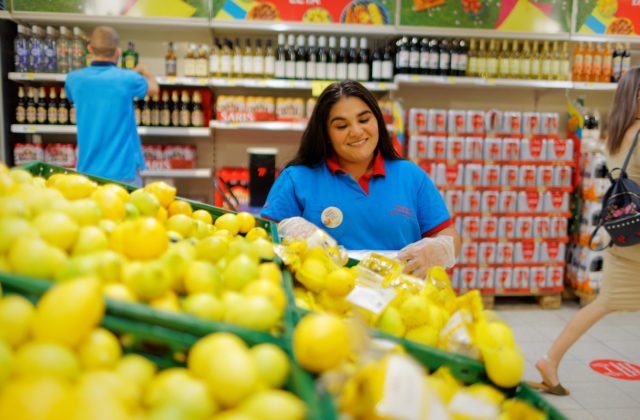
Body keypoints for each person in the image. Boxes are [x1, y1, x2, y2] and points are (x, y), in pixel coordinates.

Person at [261, 80, 460, 277]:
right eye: (341, 126)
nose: (356, 131)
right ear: (326, 134)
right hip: (323, 300)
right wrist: (286, 232)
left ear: (378, 122)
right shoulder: (296, 179)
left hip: (399, 301)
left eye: (364, 120)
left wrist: (440, 249)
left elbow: (448, 235)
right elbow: (261, 239)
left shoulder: (411, 177)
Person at [532, 67, 640, 396]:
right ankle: (549, 360)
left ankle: (550, 360)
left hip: (624, 236)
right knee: (602, 303)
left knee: (601, 303)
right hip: (637, 245)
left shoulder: (617, 134)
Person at [65, 26, 159, 186]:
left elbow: (73, 98)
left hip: (88, 172)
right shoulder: (128, 78)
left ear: (90, 49)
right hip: (123, 171)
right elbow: (154, 89)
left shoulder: (73, 79)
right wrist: (144, 71)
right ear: (118, 52)